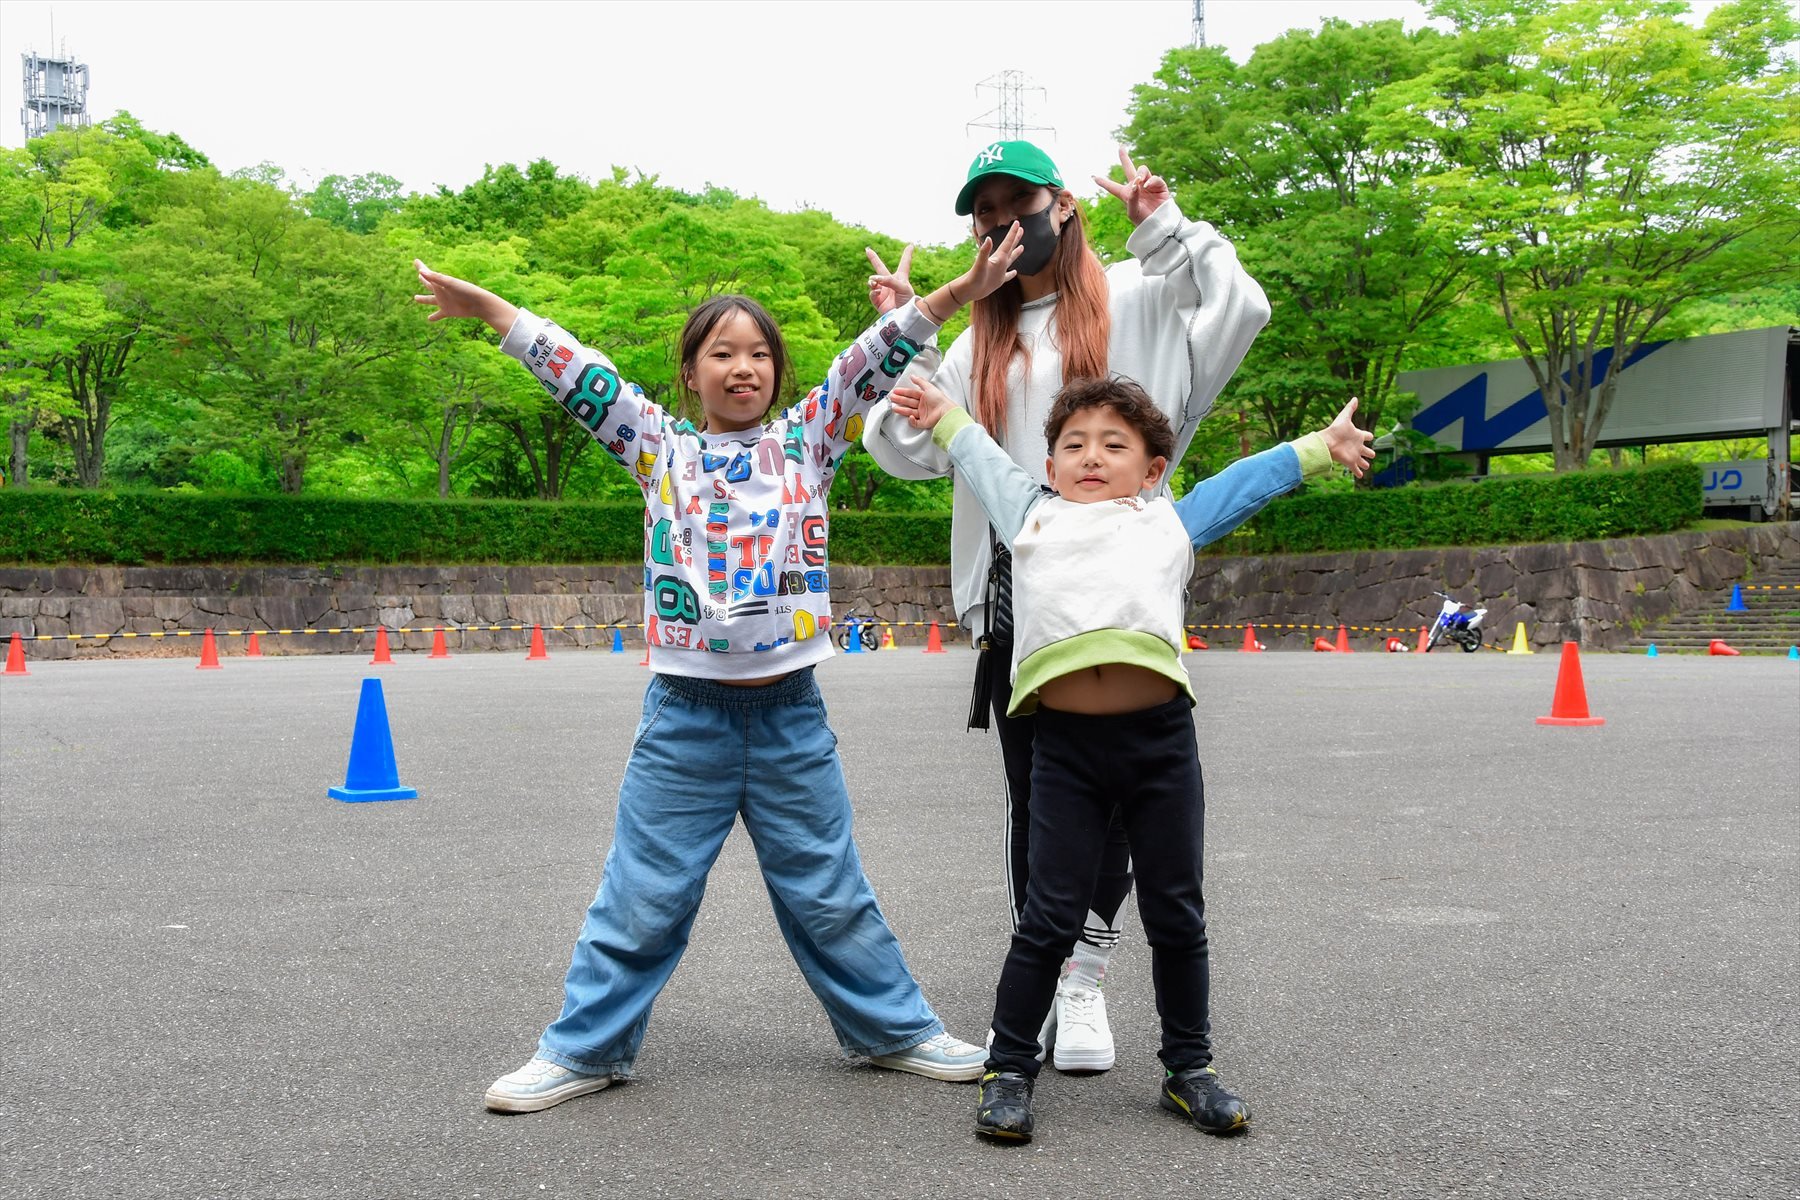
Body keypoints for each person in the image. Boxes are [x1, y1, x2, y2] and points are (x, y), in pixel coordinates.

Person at [411, 225, 1024, 1114]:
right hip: (685, 715)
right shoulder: (658, 447)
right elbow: (580, 375)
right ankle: (583, 1049)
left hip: (791, 714)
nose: (744, 368)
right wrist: (496, 312)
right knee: (641, 893)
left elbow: (866, 365)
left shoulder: (811, 440)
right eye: (721, 353)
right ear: (690, 372)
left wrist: (952, 297)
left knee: (828, 885)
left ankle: (895, 1032)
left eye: (760, 354)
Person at [861, 142, 1270, 1072]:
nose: (1002, 222)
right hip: (1019, 604)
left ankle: (1081, 981)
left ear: (1065, 206)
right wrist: (919, 327)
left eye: (1020, 202)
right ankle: (1048, 985)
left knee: (1133, 812)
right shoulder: (975, 342)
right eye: (984, 212)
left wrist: (1164, 226)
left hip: (1128, 596)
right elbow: (896, 443)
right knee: (1042, 806)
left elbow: (1241, 309)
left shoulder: (1140, 293)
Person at [885, 372, 1374, 1142]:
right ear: (1049, 467)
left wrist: (1321, 447)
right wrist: (943, 414)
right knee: (1048, 917)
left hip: (1160, 744)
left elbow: (1247, 482)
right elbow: (981, 459)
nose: (1090, 455)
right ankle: (1008, 1068)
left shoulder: (1166, 523)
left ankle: (1190, 1070)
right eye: (1073, 444)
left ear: (1152, 469)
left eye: (1114, 444)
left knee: (1177, 912)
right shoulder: (1032, 517)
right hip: (1066, 748)